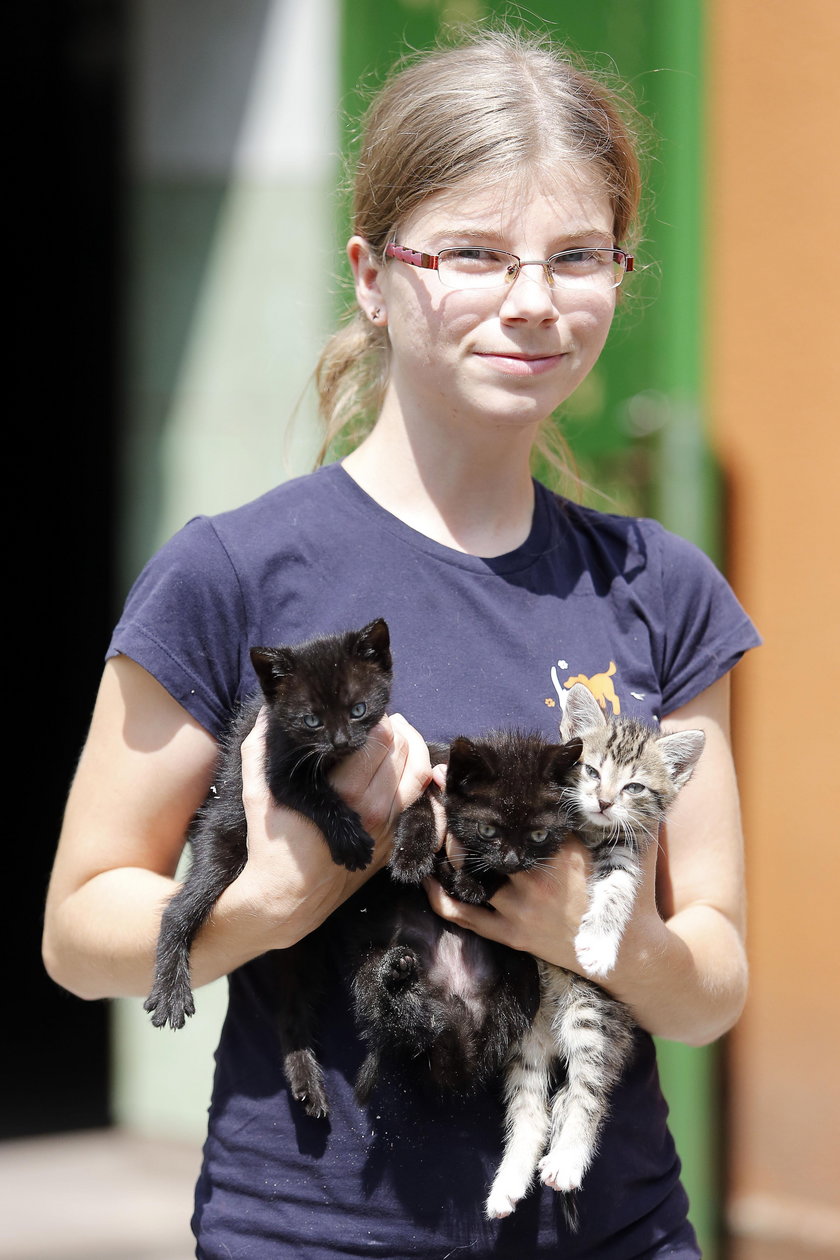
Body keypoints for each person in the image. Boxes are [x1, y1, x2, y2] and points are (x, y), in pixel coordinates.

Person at [42, 26, 760, 1259]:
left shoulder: (663, 588)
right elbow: (78, 933)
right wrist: (272, 896)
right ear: (372, 276)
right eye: (473, 254)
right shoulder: (234, 572)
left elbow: (713, 983)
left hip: (617, 1229)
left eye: (577, 255)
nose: (532, 300)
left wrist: (587, 924)